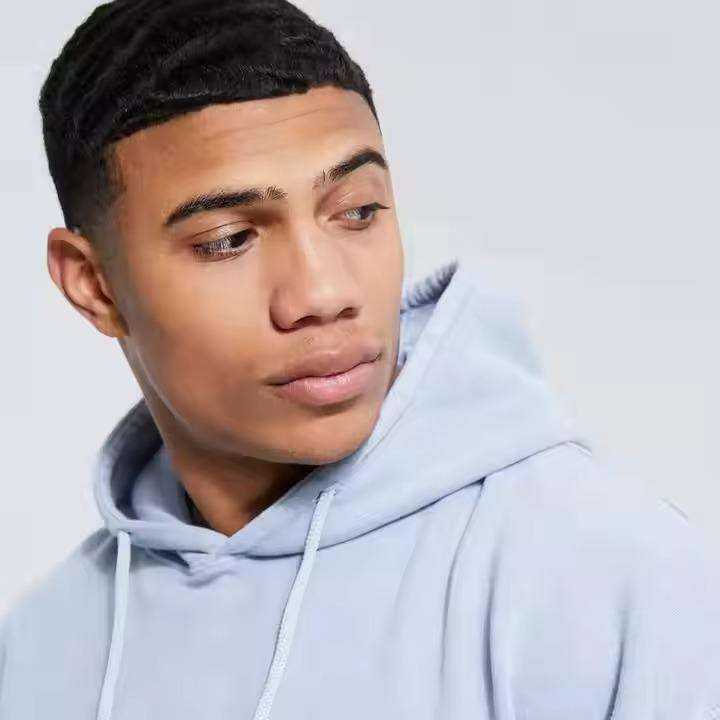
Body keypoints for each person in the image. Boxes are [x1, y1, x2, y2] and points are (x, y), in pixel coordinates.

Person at [1, 1, 719, 718]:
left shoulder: (609, 579)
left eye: (356, 211)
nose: (323, 294)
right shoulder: (37, 652)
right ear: (94, 285)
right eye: (228, 240)